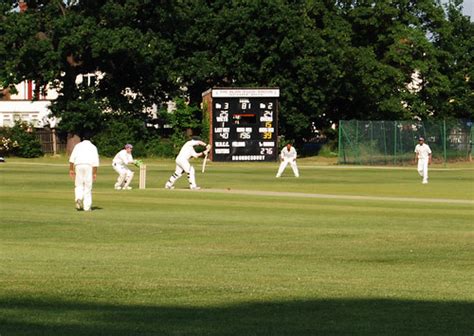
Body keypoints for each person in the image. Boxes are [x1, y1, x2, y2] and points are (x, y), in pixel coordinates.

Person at [69, 134, 100, 211]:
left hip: (78, 165)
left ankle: (79, 198)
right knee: (88, 186)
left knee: (78, 184)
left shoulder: (78, 146)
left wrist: (71, 169)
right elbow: (95, 162)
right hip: (89, 166)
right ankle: (87, 207)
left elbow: (72, 158)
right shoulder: (93, 147)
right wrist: (94, 173)